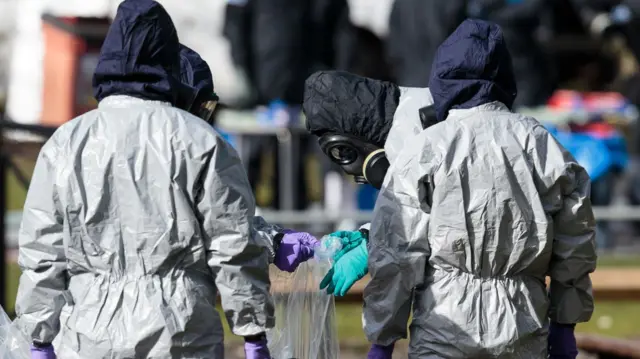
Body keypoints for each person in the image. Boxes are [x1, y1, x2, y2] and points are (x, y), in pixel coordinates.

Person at [14, 1, 317, 359]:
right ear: (168, 58)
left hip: (87, 333)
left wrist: (39, 338)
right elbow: (233, 245)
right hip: (180, 333)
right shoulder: (200, 141)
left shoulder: (66, 143)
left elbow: (42, 251)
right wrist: (252, 334)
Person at [308, 19, 597, 358]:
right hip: (523, 327)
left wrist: (382, 339)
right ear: (506, 77)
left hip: (444, 328)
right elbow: (576, 244)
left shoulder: (427, 148)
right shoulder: (542, 145)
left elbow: (399, 252)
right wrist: (565, 324)